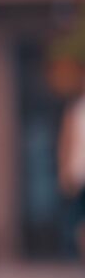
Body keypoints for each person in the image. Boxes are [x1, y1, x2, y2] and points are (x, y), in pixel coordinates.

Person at [57, 88, 85, 258]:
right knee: (81, 221)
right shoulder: (75, 111)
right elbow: (65, 143)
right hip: (79, 173)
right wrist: (64, 172)